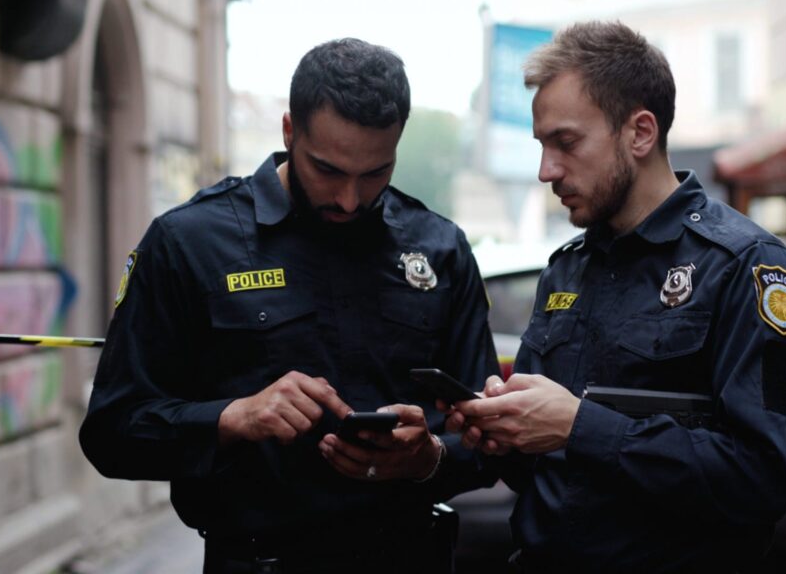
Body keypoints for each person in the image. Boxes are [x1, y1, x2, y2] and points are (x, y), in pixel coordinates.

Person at [80, 38, 498, 574]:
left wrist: (430, 459)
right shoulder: (188, 243)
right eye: (328, 170)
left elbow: (491, 436)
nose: (350, 199)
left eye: (374, 173)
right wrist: (232, 417)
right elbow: (112, 434)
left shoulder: (440, 249)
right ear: (288, 131)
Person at [447, 21, 786, 573]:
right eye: (542, 145)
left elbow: (758, 480)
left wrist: (579, 425)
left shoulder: (746, 266)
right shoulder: (567, 270)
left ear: (640, 133)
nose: (547, 170)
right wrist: (485, 437)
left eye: (566, 143)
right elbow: (550, 471)